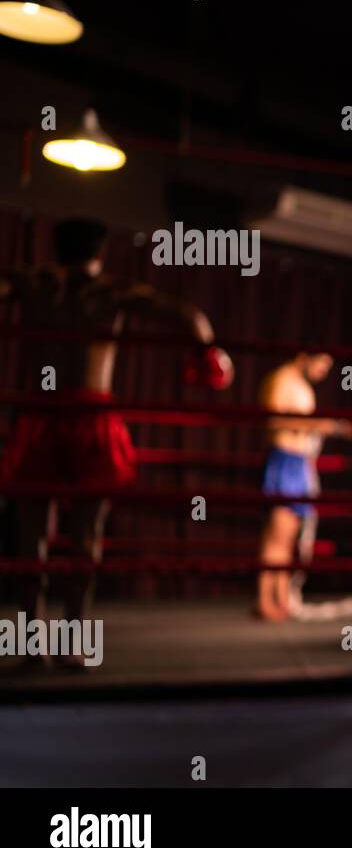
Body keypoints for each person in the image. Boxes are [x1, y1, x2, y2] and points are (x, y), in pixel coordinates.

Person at [0, 217, 232, 666]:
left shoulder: (33, 285)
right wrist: (207, 356)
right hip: (90, 415)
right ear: (100, 252)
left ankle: (32, 645)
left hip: (41, 413)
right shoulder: (112, 292)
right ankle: (76, 644)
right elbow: (190, 316)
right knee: (86, 538)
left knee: (32, 540)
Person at [255, 349, 352, 622]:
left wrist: (324, 427)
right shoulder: (281, 380)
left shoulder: (301, 386)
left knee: (289, 539)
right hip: (284, 460)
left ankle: (280, 598)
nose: (323, 371)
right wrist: (320, 425)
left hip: (299, 463)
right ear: (305, 355)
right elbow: (274, 420)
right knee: (277, 536)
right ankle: (265, 601)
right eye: (322, 363)